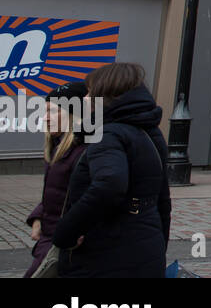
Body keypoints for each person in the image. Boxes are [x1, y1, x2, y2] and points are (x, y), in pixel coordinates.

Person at [51, 63, 172, 278]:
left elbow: (109, 184)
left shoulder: (108, 134)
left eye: (90, 92)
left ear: (104, 96)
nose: (85, 99)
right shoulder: (148, 132)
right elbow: (162, 199)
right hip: (144, 247)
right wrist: (158, 244)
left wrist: (66, 231)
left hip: (106, 254)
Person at [24, 81, 89, 278]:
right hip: (50, 237)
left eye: (52, 111)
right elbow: (55, 192)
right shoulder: (58, 147)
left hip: (64, 242)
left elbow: (90, 198)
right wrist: (37, 216)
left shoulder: (83, 152)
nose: (45, 118)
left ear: (72, 115)